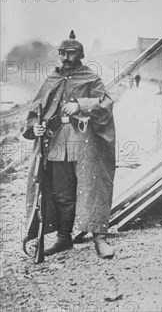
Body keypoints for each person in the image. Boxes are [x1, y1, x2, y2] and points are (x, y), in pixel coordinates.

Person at [22, 31, 116, 259]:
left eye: (71, 53)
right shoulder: (51, 80)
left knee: (91, 189)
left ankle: (99, 239)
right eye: (62, 53)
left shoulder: (91, 78)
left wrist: (81, 106)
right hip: (56, 143)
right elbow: (36, 110)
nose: (65, 57)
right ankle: (64, 239)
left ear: (81, 54)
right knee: (61, 194)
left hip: (85, 141)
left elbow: (106, 103)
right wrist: (36, 128)